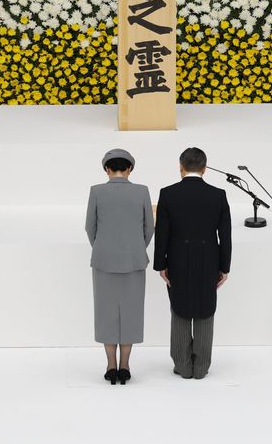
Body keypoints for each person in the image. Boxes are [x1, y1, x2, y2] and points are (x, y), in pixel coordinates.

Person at [152, 146, 232, 379]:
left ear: (181, 167)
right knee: (205, 309)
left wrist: (160, 265)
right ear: (204, 169)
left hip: (177, 259)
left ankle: (183, 365)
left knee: (180, 308)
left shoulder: (168, 194)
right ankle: (201, 367)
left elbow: (162, 233)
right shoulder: (218, 195)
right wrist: (224, 267)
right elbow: (225, 236)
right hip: (209, 260)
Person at [85, 147, 155, 385]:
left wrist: (102, 247)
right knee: (131, 312)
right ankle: (125, 365)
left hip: (103, 260)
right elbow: (149, 228)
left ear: (107, 169)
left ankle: (110, 365)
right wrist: (136, 247)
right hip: (134, 260)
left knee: (106, 313)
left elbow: (90, 227)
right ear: (130, 169)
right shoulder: (142, 191)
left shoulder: (96, 191)